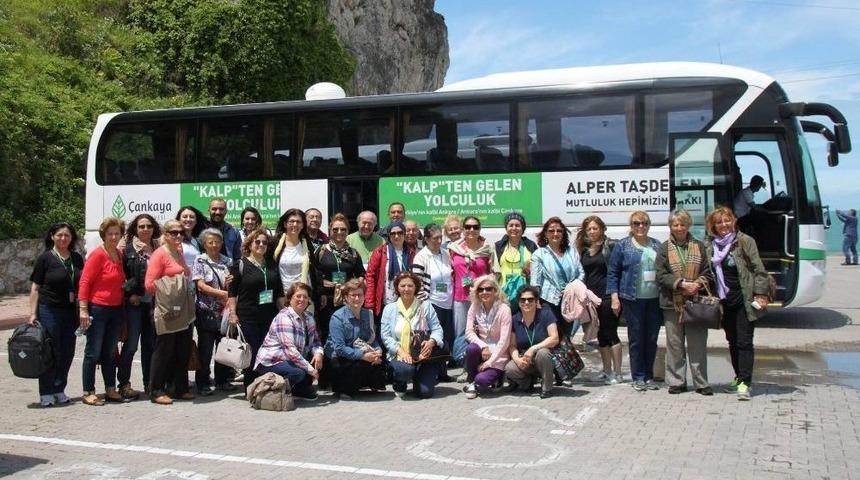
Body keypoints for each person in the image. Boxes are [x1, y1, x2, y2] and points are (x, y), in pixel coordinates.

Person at [705, 207, 770, 400]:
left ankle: (745, 383)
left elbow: (759, 269)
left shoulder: (744, 241)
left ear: (734, 220)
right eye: (719, 222)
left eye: (727, 220)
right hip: (725, 301)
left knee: (744, 342)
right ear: (713, 226)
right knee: (732, 341)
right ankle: (738, 377)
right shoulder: (710, 246)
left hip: (745, 299)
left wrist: (760, 293)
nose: (724, 225)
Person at [655, 209, 714, 396]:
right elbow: (661, 274)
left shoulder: (700, 246)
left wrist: (696, 284)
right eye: (675, 224)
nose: (679, 228)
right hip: (672, 303)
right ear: (670, 227)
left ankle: (701, 383)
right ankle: (676, 381)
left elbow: (708, 271)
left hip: (695, 301)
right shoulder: (664, 248)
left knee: (697, 344)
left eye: (682, 224)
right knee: (674, 345)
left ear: (688, 225)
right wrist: (680, 284)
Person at [27, 223, 84, 407]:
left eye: (67, 235)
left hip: (70, 311)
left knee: (67, 351)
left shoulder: (76, 258)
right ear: (52, 236)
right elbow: (35, 288)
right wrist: (33, 314)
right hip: (49, 310)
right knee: (50, 351)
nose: (63, 238)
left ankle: (59, 389)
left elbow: (82, 284)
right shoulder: (45, 259)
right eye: (59, 235)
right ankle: (46, 392)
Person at [607, 211, 663, 392]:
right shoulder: (623, 246)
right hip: (632, 299)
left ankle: (649, 376)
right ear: (631, 226)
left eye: (644, 223)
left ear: (649, 225)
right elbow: (613, 272)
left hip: (654, 299)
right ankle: (638, 376)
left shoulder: (656, 245)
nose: (641, 226)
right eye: (637, 223)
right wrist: (614, 297)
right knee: (636, 339)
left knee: (652, 338)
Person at [226, 228, 286, 391]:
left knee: (267, 351)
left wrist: (285, 313)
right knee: (252, 352)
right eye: (257, 242)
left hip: (269, 315)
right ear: (249, 244)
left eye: (265, 242)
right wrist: (232, 313)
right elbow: (232, 292)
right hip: (248, 316)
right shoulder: (240, 265)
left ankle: (265, 384)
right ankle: (250, 386)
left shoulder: (272, 265)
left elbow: (279, 292)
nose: (261, 245)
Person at [145, 219, 196, 405]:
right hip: (166, 309)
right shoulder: (160, 254)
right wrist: (172, 285)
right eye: (173, 232)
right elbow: (149, 284)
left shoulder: (179, 251)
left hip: (182, 307)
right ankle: (156, 390)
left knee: (182, 348)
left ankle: (179, 387)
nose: (178, 235)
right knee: (164, 349)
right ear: (165, 234)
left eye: (180, 232)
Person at [78, 217, 127, 406]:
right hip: (98, 309)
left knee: (109, 352)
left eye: (117, 233)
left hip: (115, 309)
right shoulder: (98, 255)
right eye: (110, 233)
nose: (114, 237)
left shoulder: (119, 254)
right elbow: (85, 282)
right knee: (93, 351)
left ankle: (110, 388)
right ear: (103, 235)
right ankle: (88, 391)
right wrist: (83, 309)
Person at [254, 282, 323, 401]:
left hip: (292, 359)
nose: (302, 299)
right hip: (271, 361)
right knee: (298, 373)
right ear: (290, 298)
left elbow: (316, 341)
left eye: (305, 297)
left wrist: (318, 353)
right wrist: (310, 370)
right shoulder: (284, 317)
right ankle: (272, 392)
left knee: (316, 363)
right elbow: (290, 351)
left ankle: (297, 390)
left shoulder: (309, 317)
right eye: (298, 296)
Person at [117, 213, 161, 400]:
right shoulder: (127, 250)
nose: (145, 229)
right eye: (141, 226)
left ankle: (149, 384)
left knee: (150, 346)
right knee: (131, 345)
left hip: (153, 304)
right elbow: (121, 276)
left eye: (149, 226)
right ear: (135, 228)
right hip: (135, 305)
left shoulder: (158, 248)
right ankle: (124, 384)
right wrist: (130, 294)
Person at [381, 272, 444, 398]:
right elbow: (385, 335)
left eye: (410, 285)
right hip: (399, 355)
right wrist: (401, 352)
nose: (406, 289)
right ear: (397, 288)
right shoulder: (389, 309)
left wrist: (432, 341)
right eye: (402, 286)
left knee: (425, 393)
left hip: (423, 356)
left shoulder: (426, 306)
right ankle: (400, 381)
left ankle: (419, 378)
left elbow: (438, 329)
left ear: (416, 287)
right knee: (405, 371)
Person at [575, 215, 621, 384]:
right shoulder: (585, 250)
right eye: (589, 229)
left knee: (611, 333)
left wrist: (616, 297)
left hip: (609, 296)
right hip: (592, 299)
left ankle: (617, 372)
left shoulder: (611, 246)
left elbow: (616, 271)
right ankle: (606, 370)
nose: (592, 231)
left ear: (602, 229)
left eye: (595, 228)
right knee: (601, 335)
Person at [324, 278, 387, 399]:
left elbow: (372, 339)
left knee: (378, 362)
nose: (357, 298)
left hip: (360, 350)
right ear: (346, 297)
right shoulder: (337, 317)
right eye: (353, 295)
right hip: (339, 356)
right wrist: (363, 356)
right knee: (357, 366)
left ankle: (362, 383)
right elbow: (340, 348)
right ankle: (344, 388)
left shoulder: (367, 314)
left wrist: (377, 351)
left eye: (360, 295)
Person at [192, 228, 235, 395]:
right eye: (211, 242)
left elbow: (233, 283)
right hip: (206, 311)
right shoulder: (200, 260)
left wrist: (231, 285)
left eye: (217, 242)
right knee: (206, 349)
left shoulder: (227, 261)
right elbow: (201, 285)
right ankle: (202, 383)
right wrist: (222, 294)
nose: (214, 245)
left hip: (224, 312)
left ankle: (222, 380)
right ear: (204, 244)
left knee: (223, 347)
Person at [314, 213, 365, 345]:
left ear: (348, 231)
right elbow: (315, 274)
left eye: (343, 229)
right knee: (326, 331)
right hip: (326, 299)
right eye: (335, 229)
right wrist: (321, 293)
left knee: (346, 330)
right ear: (330, 231)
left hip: (347, 299)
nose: (339, 232)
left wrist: (357, 282)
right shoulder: (321, 251)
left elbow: (361, 274)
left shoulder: (353, 253)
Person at [411, 223, 454, 381]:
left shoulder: (446, 253)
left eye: (440, 238)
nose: (438, 241)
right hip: (432, 302)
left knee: (446, 338)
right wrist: (426, 304)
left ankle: (443, 372)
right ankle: (433, 373)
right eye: (434, 238)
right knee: (434, 337)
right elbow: (417, 284)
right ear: (427, 239)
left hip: (447, 302)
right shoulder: (421, 256)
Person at [530, 217, 584, 340]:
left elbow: (580, 273)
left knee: (567, 335)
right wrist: (536, 302)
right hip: (549, 301)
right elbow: (535, 281)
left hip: (570, 299)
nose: (555, 234)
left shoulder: (572, 251)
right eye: (551, 231)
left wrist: (572, 288)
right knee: (553, 336)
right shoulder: (539, 254)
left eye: (559, 231)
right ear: (545, 234)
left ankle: (566, 358)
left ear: (563, 233)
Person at [462, 275, 512, 399]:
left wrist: (490, 361)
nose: (484, 292)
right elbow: (468, 332)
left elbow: (505, 341)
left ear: (495, 291)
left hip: (498, 355)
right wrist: (483, 346)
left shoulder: (504, 309)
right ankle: (471, 382)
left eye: (488, 289)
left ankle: (497, 376)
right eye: (480, 289)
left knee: (482, 380)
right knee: (471, 348)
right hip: (482, 350)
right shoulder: (475, 306)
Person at [504, 286, 559, 398]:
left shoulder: (546, 314)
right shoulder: (515, 319)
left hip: (545, 359)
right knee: (509, 368)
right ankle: (528, 383)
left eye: (530, 299)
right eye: (523, 300)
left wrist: (533, 348)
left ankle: (547, 387)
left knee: (543, 353)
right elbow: (512, 345)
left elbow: (554, 338)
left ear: (536, 301)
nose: (526, 302)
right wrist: (517, 360)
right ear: (519, 303)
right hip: (526, 360)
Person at [448, 216, 496, 342]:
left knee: (483, 333)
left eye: (475, 227)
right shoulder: (453, 249)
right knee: (461, 334)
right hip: (461, 298)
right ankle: (461, 359)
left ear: (480, 230)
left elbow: (494, 273)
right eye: (468, 227)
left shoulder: (487, 250)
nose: (471, 229)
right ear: (463, 230)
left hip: (482, 298)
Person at [365, 221, 416, 323]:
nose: (396, 236)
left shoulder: (411, 252)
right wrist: (370, 303)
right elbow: (370, 276)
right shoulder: (380, 251)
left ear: (404, 234)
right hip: (386, 301)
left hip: (406, 300)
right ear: (388, 235)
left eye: (400, 233)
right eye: (393, 233)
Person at [494, 212, 537, 311]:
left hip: (525, 295)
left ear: (523, 229)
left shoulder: (530, 246)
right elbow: (495, 272)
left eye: (517, 225)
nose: (514, 228)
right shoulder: (498, 246)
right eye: (511, 225)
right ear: (506, 228)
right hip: (503, 294)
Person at [273, 208, 316, 296]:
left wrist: (320, 291)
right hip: (283, 295)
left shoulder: (306, 243)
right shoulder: (275, 244)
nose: (295, 224)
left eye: (298, 222)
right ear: (285, 224)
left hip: (304, 295)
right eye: (291, 221)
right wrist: (278, 296)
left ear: (303, 225)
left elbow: (315, 268)